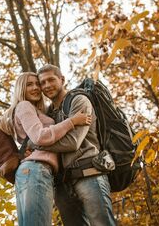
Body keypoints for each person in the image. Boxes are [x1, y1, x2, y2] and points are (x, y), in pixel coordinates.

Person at [0, 72, 91, 226]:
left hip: (33, 172)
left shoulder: (34, 110)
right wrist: (72, 121)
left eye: (37, 84)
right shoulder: (24, 105)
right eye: (29, 84)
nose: (36, 88)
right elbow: (40, 137)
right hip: (36, 170)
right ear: (21, 88)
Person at [37, 64, 116, 226]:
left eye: (51, 80)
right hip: (63, 184)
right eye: (42, 83)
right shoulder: (49, 113)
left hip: (89, 174)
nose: (47, 86)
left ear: (62, 80)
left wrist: (39, 144)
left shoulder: (78, 100)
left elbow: (73, 142)